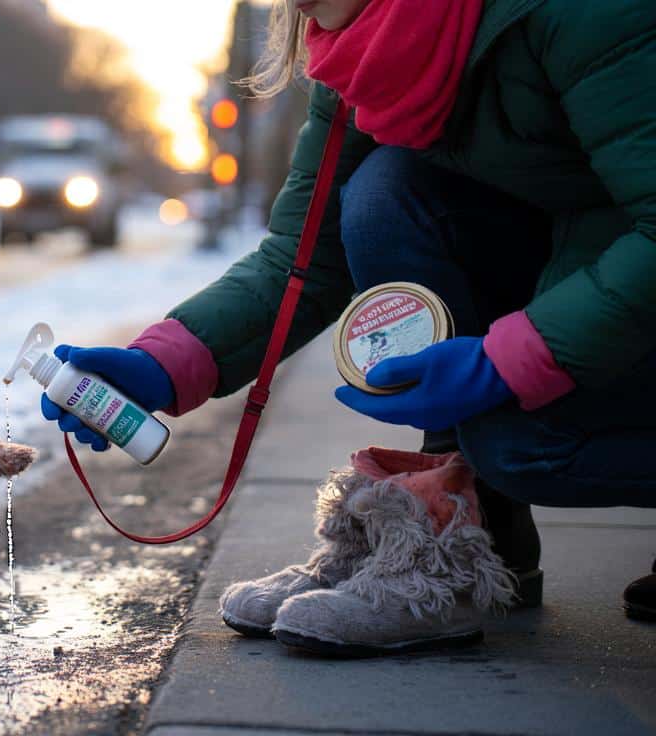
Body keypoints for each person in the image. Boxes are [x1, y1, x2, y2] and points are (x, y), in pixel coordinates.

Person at [42, 0, 656, 655]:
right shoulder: (355, 51)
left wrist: (515, 358)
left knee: (518, 441)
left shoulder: (584, 12)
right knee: (380, 192)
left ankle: (475, 501)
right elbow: (303, 255)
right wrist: (165, 363)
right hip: (585, 256)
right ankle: (466, 538)